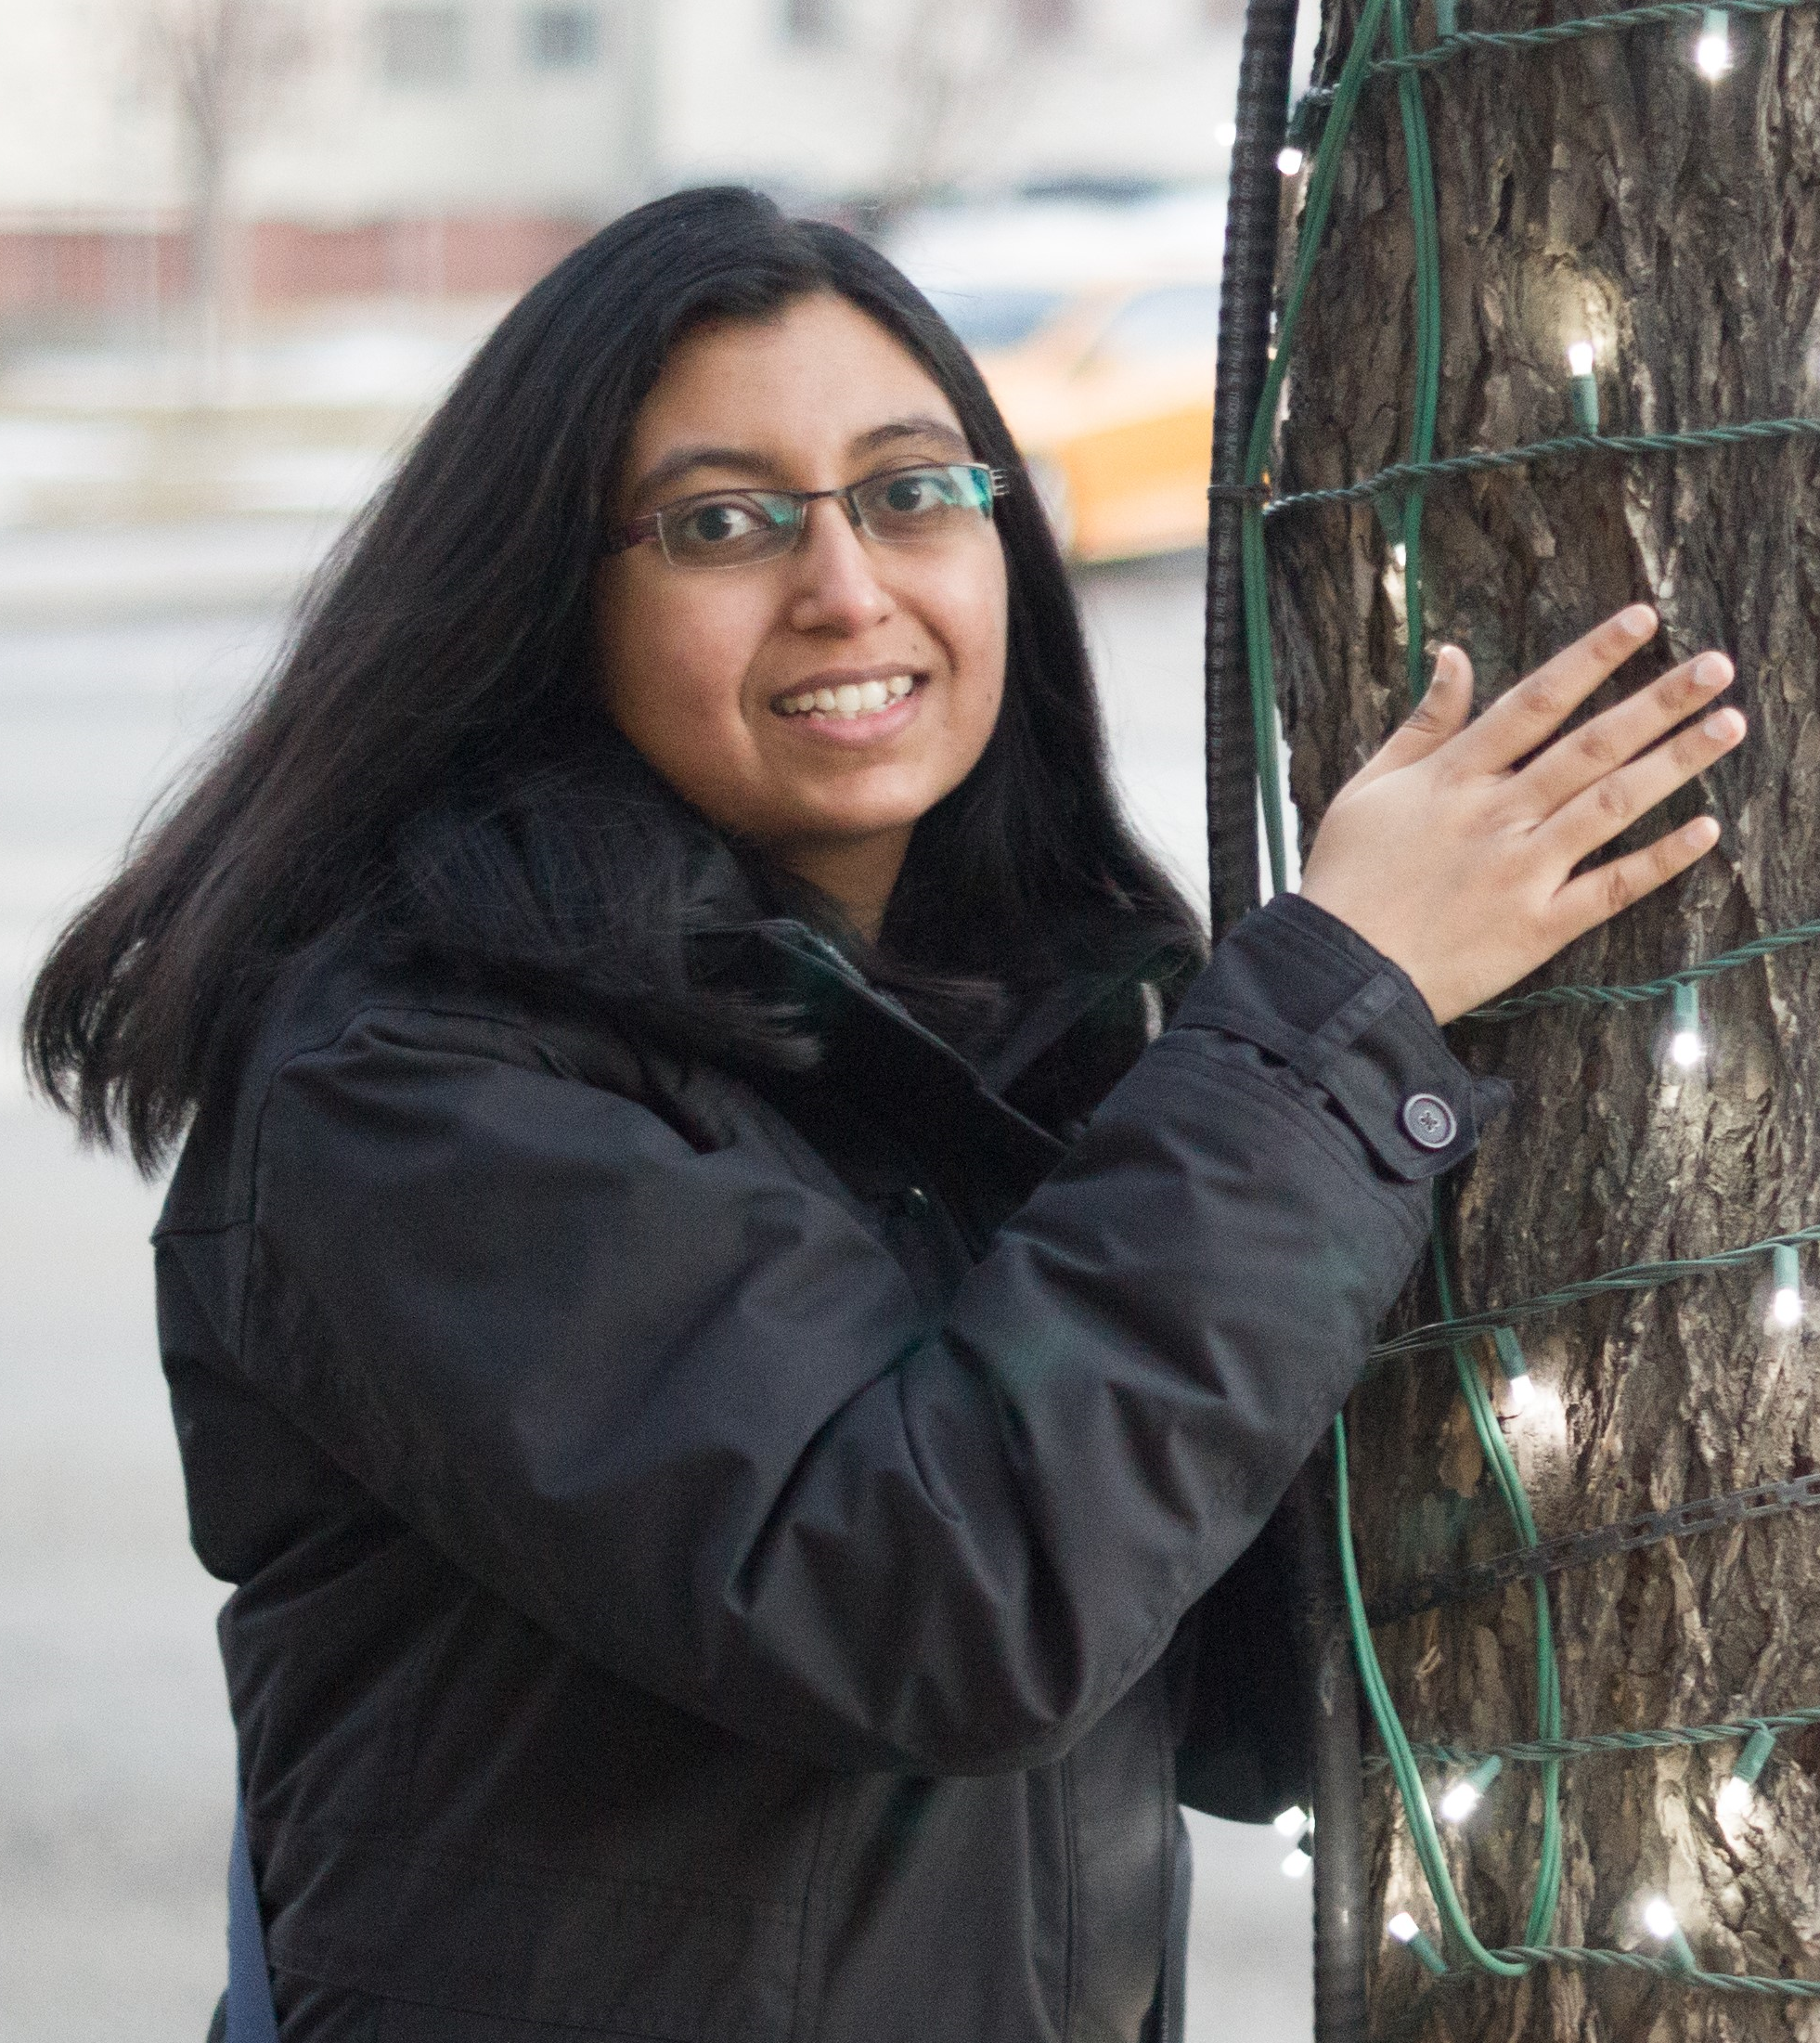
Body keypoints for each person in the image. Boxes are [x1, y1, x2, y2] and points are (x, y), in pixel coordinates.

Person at [23, 187, 1743, 2043]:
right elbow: (941, 1595)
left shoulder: (974, 1035)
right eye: (723, 523)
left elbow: (1229, 1693)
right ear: (544, 600)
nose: (846, 584)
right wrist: (1332, 1013)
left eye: (912, 490)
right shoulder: (411, 1087)